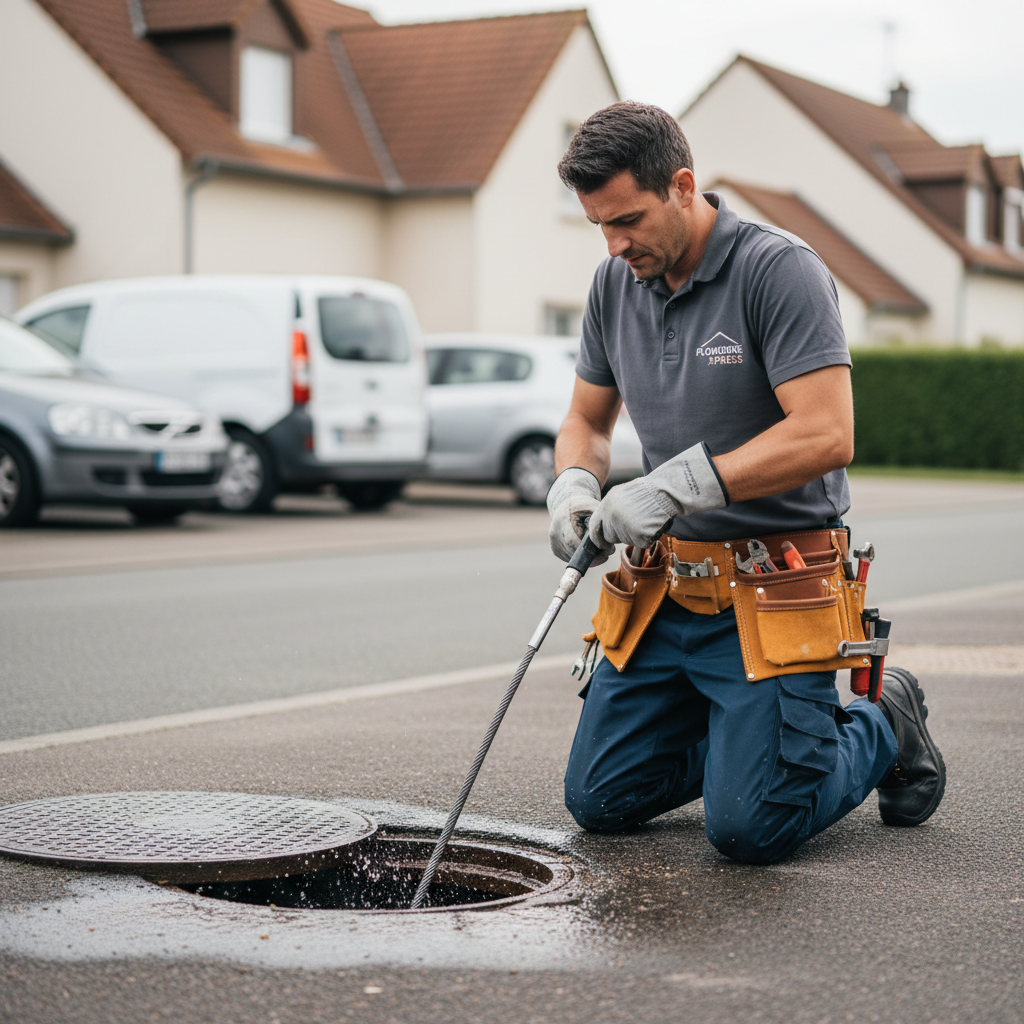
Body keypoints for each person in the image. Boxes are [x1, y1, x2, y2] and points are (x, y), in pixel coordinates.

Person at [548, 101, 945, 863]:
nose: (614, 242)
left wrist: (672, 487)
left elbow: (827, 433)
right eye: (599, 223)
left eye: (627, 218)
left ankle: (880, 719)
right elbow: (588, 422)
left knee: (750, 830)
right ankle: (747, 741)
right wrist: (572, 481)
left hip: (775, 588)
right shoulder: (612, 286)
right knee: (600, 801)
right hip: (667, 592)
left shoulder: (778, 270)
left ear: (684, 186)